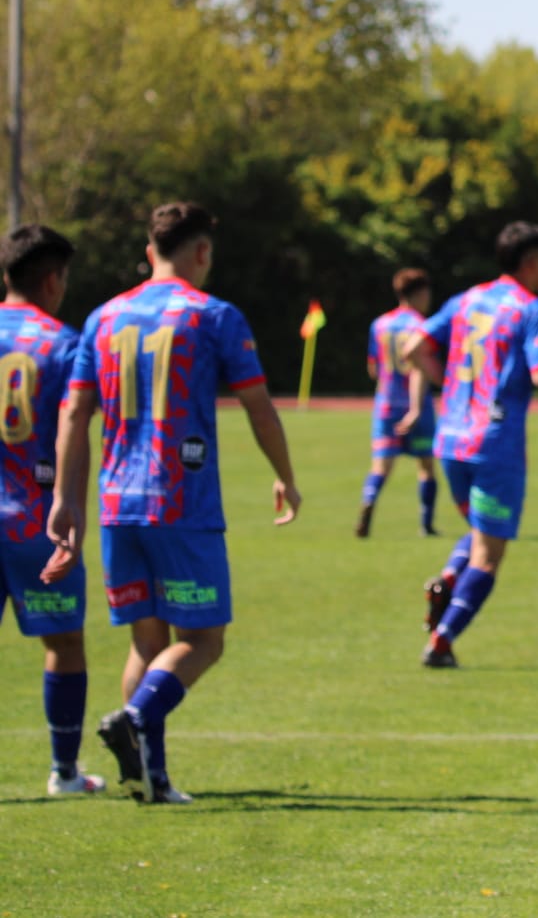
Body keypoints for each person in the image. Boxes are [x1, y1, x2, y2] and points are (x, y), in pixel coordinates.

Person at [46, 202, 302, 804]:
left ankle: (153, 780)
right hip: (180, 503)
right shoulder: (215, 315)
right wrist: (285, 476)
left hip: (115, 504)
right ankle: (134, 720)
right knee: (204, 640)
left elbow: (75, 413)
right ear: (201, 251)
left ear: (149, 246)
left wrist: (65, 499)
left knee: (147, 643)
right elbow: (259, 404)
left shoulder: (103, 318)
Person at [403, 221, 538, 668]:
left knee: (478, 530)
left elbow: (412, 349)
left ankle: (446, 576)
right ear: (533, 263)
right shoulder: (533, 308)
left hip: (450, 439)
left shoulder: (466, 300)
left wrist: (450, 389)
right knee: (489, 553)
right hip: (494, 444)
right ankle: (442, 641)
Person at [0, 225, 105, 797]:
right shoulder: (64, 343)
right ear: (51, 279)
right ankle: (64, 772)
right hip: (34, 519)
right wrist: (71, 507)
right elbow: (75, 429)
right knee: (63, 642)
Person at [356, 268, 439, 538]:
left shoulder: (379, 324)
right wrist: (415, 406)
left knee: (381, 466)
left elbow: (373, 368)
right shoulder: (422, 326)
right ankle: (426, 524)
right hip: (418, 405)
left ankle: (369, 500)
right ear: (421, 293)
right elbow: (421, 368)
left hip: (386, 404)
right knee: (426, 466)